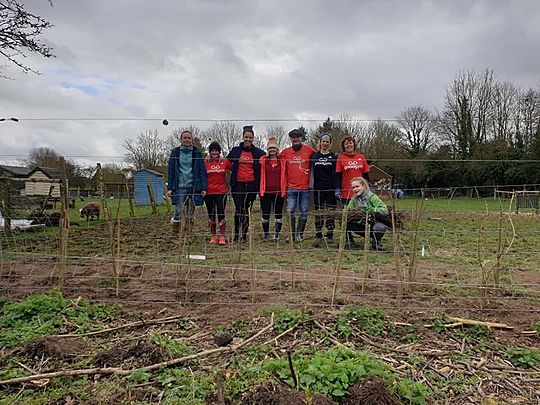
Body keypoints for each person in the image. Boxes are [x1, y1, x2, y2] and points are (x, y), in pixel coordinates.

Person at [227, 125, 265, 242]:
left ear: (253, 138)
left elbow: (266, 158)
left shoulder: (258, 152)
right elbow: (226, 163)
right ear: (243, 137)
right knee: (239, 209)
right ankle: (236, 235)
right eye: (246, 137)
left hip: (252, 184)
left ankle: (244, 235)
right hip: (238, 184)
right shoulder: (235, 151)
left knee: (247, 209)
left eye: (250, 137)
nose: (248, 139)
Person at [166, 130, 207, 237]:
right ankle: (175, 234)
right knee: (178, 211)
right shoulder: (175, 152)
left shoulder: (197, 153)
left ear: (192, 140)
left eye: (189, 138)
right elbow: (171, 171)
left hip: (193, 187)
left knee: (190, 212)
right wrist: (170, 188)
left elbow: (202, 171)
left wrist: (203, 187)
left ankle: (188, 234)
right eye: (185, 138)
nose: (187, 140)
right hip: (179, 187)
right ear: (181, 140)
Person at [280, 128, 316, 242]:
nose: (296, 139)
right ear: (290, 139)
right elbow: (274, 158)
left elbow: (319, 156)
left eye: (298, 137)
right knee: (290, 210)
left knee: (304, 211)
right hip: (291, 188)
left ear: (301, 138)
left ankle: (300, 234)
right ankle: (292, 234)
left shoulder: (309, 150)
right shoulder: (285, 152)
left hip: (305, 188)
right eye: (293, 137)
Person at [346, 177, 389, 251]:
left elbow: (385, 210)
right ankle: (349, 241)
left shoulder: (372, 197)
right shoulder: (354, 199)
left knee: (380, 227)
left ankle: (376, 243)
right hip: (361, 225)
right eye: (353, 187)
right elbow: (349, 211)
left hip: (373, 225)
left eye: (357, 186)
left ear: (363, 186)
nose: (355, 189)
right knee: (345, 221)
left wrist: (373, 210)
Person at [311, 133, 338, 247]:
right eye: (323, 141)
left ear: (330, 144)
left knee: (331, 211)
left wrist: (337, 188)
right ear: (320, 142)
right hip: (318, 188)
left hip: (330, 188)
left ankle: (330, 233)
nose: (325, 143)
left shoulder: (334, 157)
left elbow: (337, 173)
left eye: (327, 142)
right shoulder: (314, 156)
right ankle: (318, 234)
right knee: (319, 211)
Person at [204, 141, 232, 245]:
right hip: (209, 192)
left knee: (221, 214)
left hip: (221, 192)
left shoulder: (224, 162)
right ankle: (213, 236)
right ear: (209, 152)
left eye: (216, 150)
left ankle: (222, 236)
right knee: (211, 214)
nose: (214, 152)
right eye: (212, 151)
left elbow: (235, 168)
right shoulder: (205, 162)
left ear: (219, 152)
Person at [259, 136, 286, 241]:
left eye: (274, 148)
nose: (272, 150)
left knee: (278, 213)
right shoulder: (263, 161)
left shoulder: (282, 161)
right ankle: (266, 234)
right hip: (265, 191)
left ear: (277, 149)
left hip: (279, 191)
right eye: (270, 148)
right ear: (267, 150)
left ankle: (277, 234)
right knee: (265, 213)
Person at [335, 136, 370, 205]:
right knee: (348, 213)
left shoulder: (361, 157)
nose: (349, 145)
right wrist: (337, 188)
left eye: (350, 143)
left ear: (354, 144)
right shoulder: (340, 158)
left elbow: (365, 174)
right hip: (346, 193)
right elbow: (338, 176)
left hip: (361, 192)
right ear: (343, 147)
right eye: (346, 144)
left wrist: (368, 187)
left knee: (362, 213)